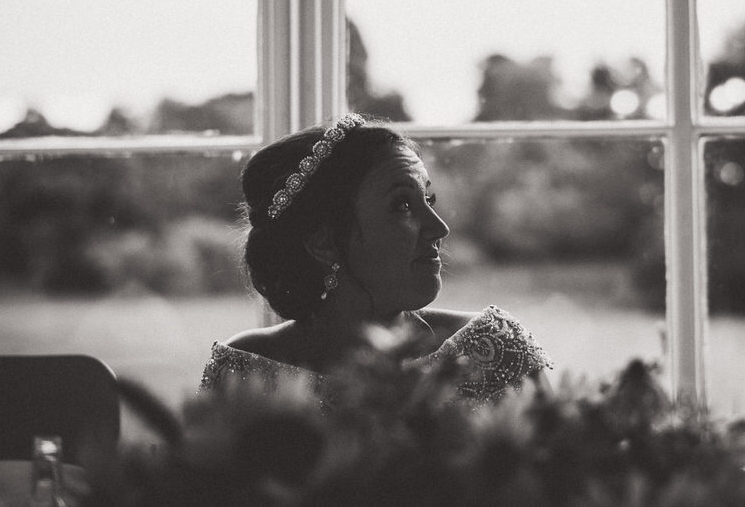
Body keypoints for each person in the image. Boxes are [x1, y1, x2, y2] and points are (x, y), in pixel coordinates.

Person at [200, 113, 551, 405]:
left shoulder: (494, 350)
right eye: (402, 205)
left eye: (428, 200)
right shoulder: (244, 376)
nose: (439, 229)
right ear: (323, 241)